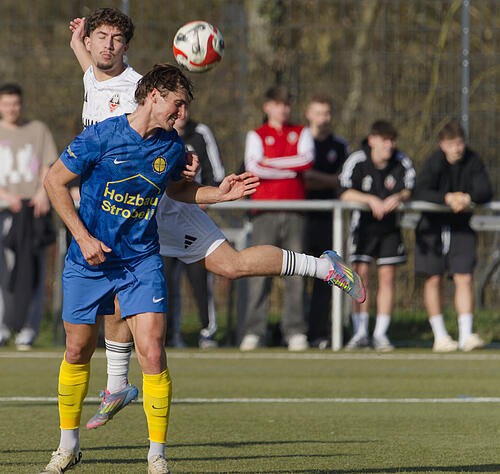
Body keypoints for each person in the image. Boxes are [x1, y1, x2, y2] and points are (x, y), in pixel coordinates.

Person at [67, 7, 365, 434]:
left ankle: (324, 266)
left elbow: (172, 121)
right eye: (100, 38)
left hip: (162, 206)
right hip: (121, 214)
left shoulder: (136, 87)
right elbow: (93, 74)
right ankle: (116, 386)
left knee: (233, 265)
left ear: (126, 47)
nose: (106, 45)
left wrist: (184, 161)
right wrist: (77, 41)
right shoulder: (91, 76)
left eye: (115, 39)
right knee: (114, 287)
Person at [41, 64, 260, 474]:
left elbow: (177, 189)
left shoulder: (171, 144)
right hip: (90, 260)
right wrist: (83, 238)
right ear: (154, 95)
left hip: (141, 259)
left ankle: (156, 456)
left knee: (154, 351)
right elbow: (54, 181)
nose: (181, 114)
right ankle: (67, 447)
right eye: (177, 104)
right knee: (76, 350)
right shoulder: (101, 135)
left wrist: (219, 194)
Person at [0, 83, 57, 349]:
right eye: (6, 104)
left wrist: (43, 193)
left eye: (16, 103)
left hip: (33, 214)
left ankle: (27, 331)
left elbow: (48, 165)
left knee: (32, 272)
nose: (11, 109)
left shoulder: (38, 130)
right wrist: (3, 195)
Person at [240, 86, 315, 351]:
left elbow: (306, 160)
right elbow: (253, 166)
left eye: (286, 104)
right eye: (277, 104)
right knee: (260, 273)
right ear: (267, 107)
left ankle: (295, 331)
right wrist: (287, 167)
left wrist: (272, 164)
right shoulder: (256, 135)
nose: (282, 109)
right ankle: (254, 332)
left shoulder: (301, 132)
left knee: (297, 272)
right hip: (264, 212)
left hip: (295, 211)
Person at [413, 120, 492, 352]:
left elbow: (486, 190)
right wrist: (447, 198)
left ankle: (467, 335)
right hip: (431, 228)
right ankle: (440, 337)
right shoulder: (434, 162)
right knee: (433, 278)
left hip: (461, 228)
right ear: (442, 145)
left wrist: (467, 198)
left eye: (460, 143)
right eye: (451, 144)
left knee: (464, 277)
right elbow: (421, 190)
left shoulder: (473, 160)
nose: (457, 149)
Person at [340, 120, 414, 352]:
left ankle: (380, 334)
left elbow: (410, 189)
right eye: (384, 140)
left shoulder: (401, 161)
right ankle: (360, 332)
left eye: (392, 141)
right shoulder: (357, 160)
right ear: (372, 140)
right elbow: (344, 192)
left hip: (390, 230)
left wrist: (400, 197)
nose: (389, 145)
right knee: (359, 277)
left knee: (387, 278)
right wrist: (369, 199)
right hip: (362, 228)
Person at [163, 107, 227, 349]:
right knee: (164, 282)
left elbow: (216, 176)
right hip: (164, 226)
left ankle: (207, 331)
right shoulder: (155, 135)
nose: (181, 112)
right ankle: (170, 335)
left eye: (185, 105)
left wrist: (205, 199)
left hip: (192, 221)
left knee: (208, 275)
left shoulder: (200, 134)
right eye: (176, 105)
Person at [303, 96, 349, 348]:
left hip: (329, 220)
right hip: (301, 217)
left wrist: (319, 179)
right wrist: (328, 179)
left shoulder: (340, 145)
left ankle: (320, 333)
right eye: (318, 112)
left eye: (327, 113)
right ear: (308, 114)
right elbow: (302, 178)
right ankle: (296, 332)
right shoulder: (301, 140)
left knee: (327, 276)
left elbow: (344, 179)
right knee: (297, 274)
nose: (324, 118)